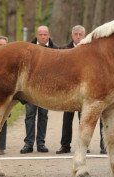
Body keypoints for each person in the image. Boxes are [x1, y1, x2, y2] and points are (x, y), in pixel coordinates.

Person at [20, 25, 58, 154]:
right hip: (30, 88)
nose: (43, 36)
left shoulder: (56, 50)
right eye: (40, 34)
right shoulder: (27, 49)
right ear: (37, 35)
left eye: (45, 34)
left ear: (49, 35)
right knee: (29, 115)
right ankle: (28, 143)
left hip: (47, 89)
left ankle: (41, 143)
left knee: (43, 115)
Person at [56, 25, 86, 154]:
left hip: (83, 88)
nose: (78, 37)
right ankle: (65, 145)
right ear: (72, 35)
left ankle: (83, 144)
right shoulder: (64, 49)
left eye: (80, 34)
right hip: (68, 89)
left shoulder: (88, 50)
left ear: (84, 36)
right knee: (67, 118)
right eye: (76, 34)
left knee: (83, 118)